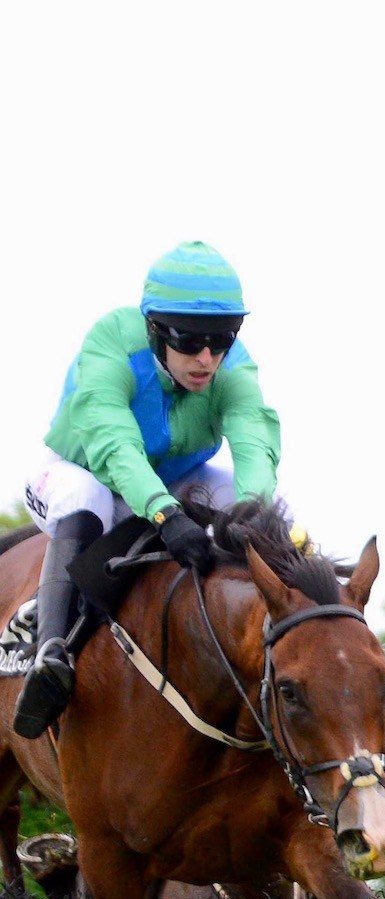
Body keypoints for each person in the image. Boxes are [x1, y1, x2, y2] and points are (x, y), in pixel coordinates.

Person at [13, 241, 282, 739]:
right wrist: (165, 514)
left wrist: (254, 516)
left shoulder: (232, 366)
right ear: (155, 329)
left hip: (172, 478)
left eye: (221, 341)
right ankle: (50, 655)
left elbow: (254, 439)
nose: (207, 359)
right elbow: (115, 448)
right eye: (191, 342)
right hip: (82, 473)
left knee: (246, 508)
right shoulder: (111, 342)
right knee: (86, 499)